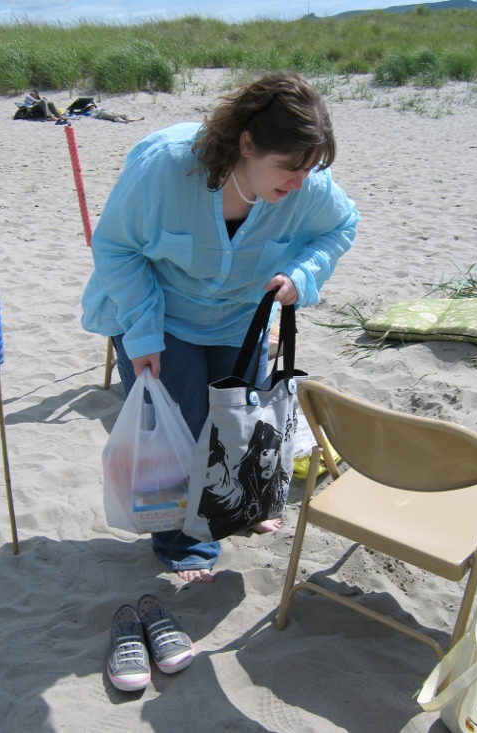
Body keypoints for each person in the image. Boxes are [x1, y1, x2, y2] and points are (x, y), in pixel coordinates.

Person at [81, 71, 360, 583]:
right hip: (158, 312)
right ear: (247, 143)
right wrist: (141, 333)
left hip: (237, 317)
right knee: (180, 429)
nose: (301, 183)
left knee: (239, 422)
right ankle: (181, 542)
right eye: (289, 168)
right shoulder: (167, 168)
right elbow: (115, 248)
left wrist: (302, 273)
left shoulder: (308, 187)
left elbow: (342, 227)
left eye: (310, 169)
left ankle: (241, 508)